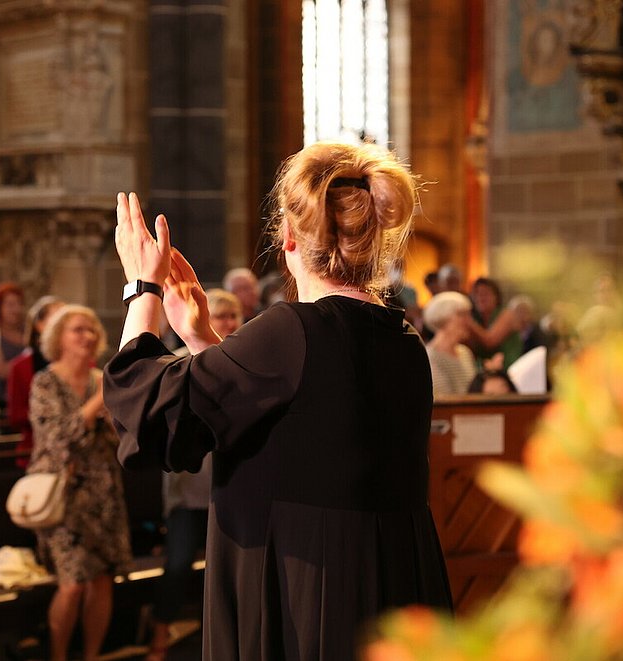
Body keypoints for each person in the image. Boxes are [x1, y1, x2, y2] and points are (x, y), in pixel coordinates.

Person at [104, 141, 452, 661]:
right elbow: (298, 419)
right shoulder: (402, 339)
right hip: (387, 585)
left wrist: (142, 289)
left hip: (305, 591)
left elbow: (147, 415)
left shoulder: (292, 330)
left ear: (288, 235)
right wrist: (202, 341)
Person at [27, 305, 132, 661]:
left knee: (102, 581)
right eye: (78, 330)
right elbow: (57, 438)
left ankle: (92, 656)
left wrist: (112, 415)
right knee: (72, 585)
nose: (87, 336)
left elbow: (122, 439)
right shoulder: (45, 382)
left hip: (103, 492)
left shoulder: (101, 380)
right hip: (63, 496)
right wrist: (97, 402)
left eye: (91, 330)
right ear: (59, 337)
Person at [146, 289, 242, 661]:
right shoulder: (179, 364)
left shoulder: (243, 363)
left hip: (229, 486)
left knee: (227, 571)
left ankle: (220, 644)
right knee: (178, 564)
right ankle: (158, 638)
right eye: (219, 316)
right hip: (190, 489)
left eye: (232, 316)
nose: (227, 324)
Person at [6, 295, 63, 468]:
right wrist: (54, 413)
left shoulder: (84, 363)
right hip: (35, 450)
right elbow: (16, 416)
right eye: (58, 317)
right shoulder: (21, 366)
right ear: (40, 325)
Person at [423, 291, 478, 396]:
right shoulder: (430, 357)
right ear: (442, 318)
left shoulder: (465, 352)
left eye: (468, 315)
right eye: (462, 315)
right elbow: (443, 398)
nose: (469, 321)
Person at [0, 282, 27, 413]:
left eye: (19, 304)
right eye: (10, 305)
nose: (16, 309)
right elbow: (1, 371)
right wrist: (29, 356)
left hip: (27, 398)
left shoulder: (26, 331)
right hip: (3, 400)